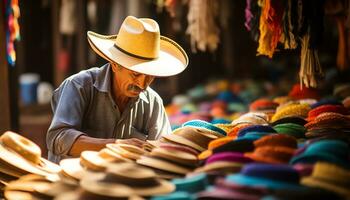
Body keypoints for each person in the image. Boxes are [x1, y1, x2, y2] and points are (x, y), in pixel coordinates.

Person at [47, 16, 189, 163]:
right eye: (135, 74)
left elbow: (160, 152)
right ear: (114, 64)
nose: (142, 83)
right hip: (70, 182)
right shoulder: (78, 86)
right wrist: (116, 145)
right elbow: (58, 138)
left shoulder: (153, 104)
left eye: (150, 76)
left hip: (120, 184)